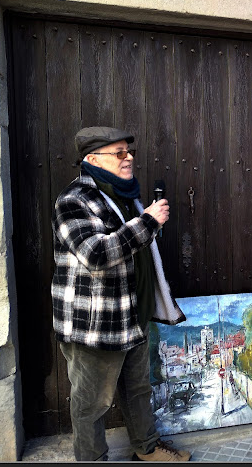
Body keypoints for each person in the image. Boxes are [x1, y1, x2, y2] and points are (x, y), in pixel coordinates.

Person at [51, 126, 190, 461]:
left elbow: (133, 244)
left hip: (134, 314)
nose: (128, 158)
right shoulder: (74, 200)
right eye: (119, 153)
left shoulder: (125, 195)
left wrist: (146, 221)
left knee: (138, 390)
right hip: (96, 322)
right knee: (91, 402)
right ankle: (92, 459)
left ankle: (146, 448)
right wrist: (148, 223)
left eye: (129, 152)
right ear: (92, 159)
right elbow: (96, 254)